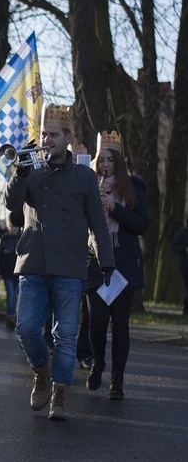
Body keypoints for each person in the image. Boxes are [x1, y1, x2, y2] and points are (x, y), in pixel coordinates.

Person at [4, 104, 115, 421]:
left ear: (67, 138)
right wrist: (20, 172)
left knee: (65, 334)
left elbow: (97, 222)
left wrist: (106, 261)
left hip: (69, 265)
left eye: (53, 134)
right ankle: (41, 371)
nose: (46, 139)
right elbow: (12, 205)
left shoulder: (84, 176)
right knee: (26, 328)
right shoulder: (31, 170)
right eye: (43, 134)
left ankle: (59, 393)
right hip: (34, 262)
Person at [84, 131, 149, 399]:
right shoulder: (88, 185)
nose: (105, 165)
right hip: (96, 262)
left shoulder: (133, 188)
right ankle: (98, 363)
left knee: (120, 325)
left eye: (110, 160)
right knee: (97, 322)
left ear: (118, 162)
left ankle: (117, 381)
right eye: (101, 160)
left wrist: (116, 209)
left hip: (124, 264)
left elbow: (142, 225)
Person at [0, 211, 23, 330]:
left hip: (18, 273)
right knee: (11, 294)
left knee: (17, 296)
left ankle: (16, 316)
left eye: (15, 227)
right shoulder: (3, 240)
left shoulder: (22, 239)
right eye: (11, 226)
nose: (13, 229)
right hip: (7, 273)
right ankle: (10, 317)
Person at [172, 218, 188, 316]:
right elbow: (174, 247)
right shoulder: (182, 234)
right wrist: (184, 250)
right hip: (185, 265)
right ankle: (186, 309)